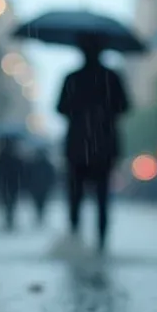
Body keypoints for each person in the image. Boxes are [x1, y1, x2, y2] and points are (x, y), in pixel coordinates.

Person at [57, 39, 130, 251]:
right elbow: (124, 106)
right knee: (102, 196)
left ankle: (75, 236)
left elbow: (60, 108)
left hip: (78, 146)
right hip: (103, 146)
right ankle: (100, 242)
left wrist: (80, 110)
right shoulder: (112, 78)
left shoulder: (72, 78)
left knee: (76, 196)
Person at [0, 136, 25, 231]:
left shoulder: (0, 156)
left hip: (4, 182)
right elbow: (21, 170)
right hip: (13, 183)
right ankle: (10, 218)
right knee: (11, 202)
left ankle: (8, 219)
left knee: (6, 201)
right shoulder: (15, 156)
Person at [26, 145, 57, 226]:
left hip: (37, 187)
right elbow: (51, 176)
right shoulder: (46, 164)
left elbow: (29, 175)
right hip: (41, 187)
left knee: (39, 202)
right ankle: (40, 214)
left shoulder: (34, 164)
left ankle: (39, 214)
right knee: (41, 202)